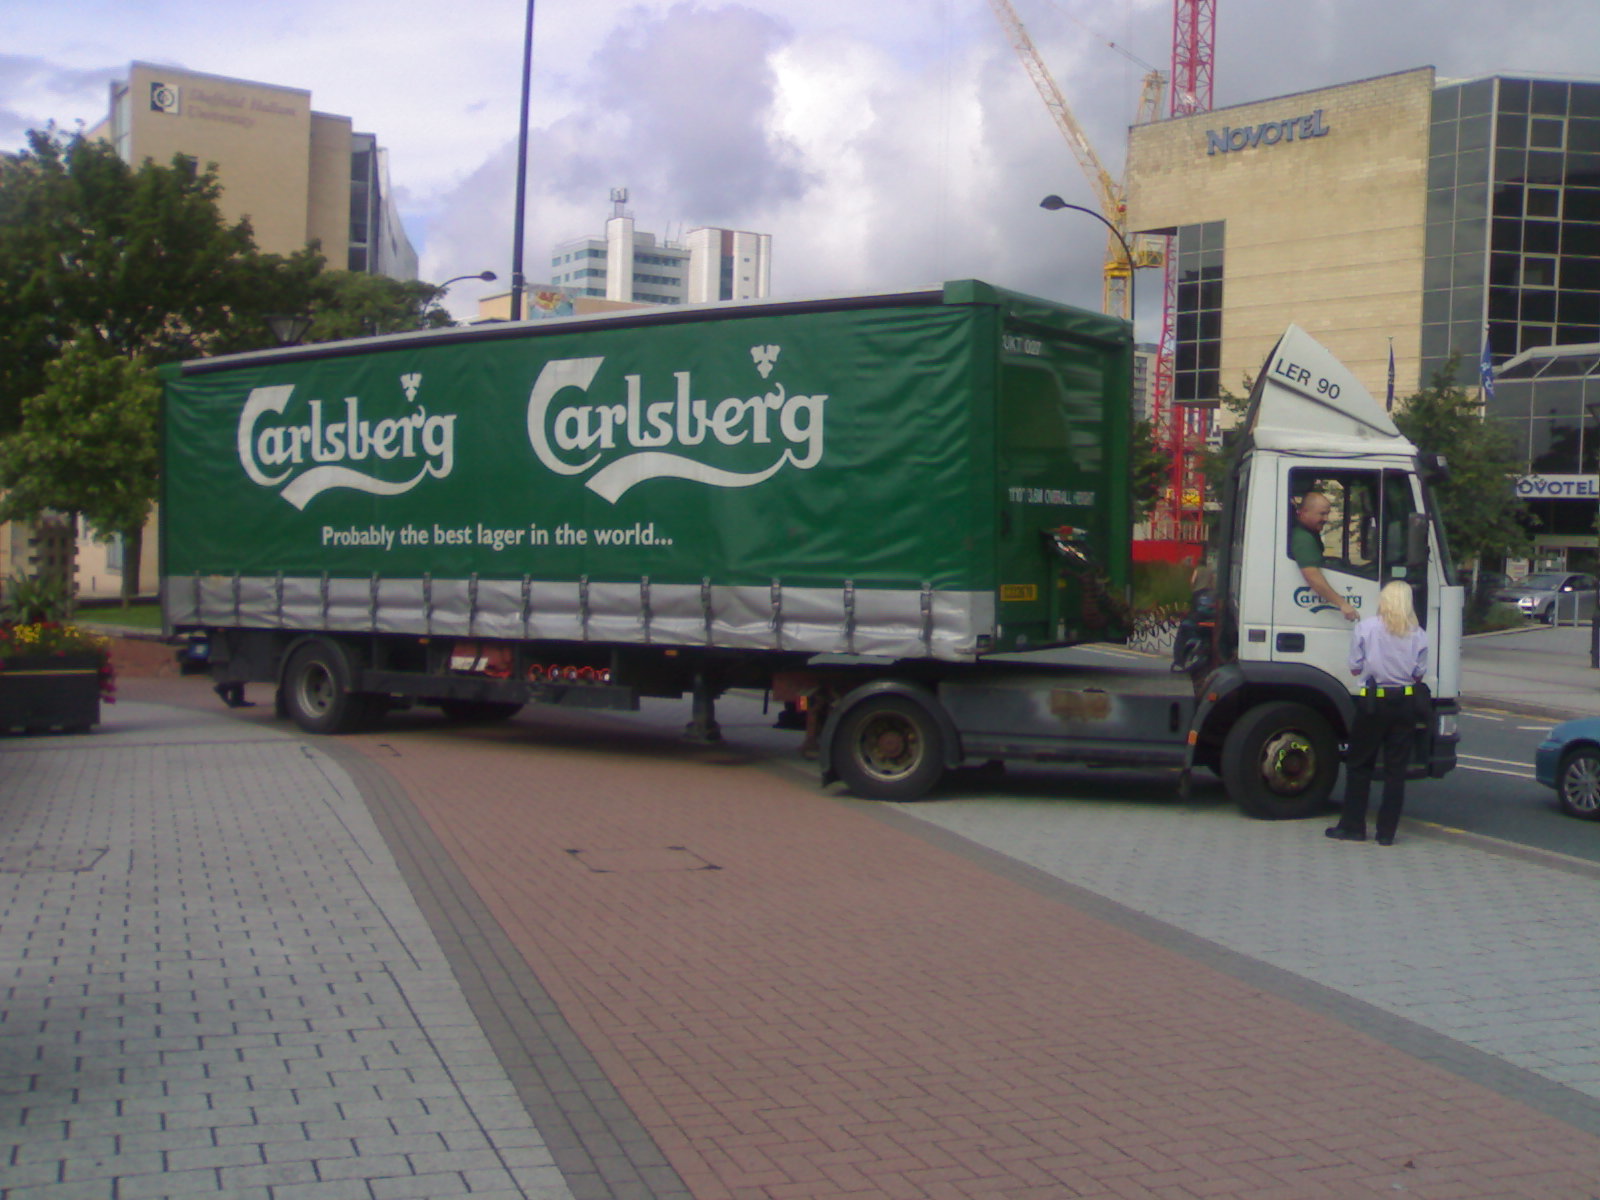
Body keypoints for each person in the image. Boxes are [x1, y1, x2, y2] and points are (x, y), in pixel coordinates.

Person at [1327, 580, 1429, 846]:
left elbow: (1354, 668)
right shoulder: (1418, 633)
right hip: (1405, 704)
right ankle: (1386, 833)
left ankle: (1353, 827)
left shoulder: (1366, 628)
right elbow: (1419, 674)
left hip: (1373, 703)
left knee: (1360, 764)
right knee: (1396, 771)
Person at [1292, 491, 1359, 622]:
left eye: (1327, 514)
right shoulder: (1303, 539)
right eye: (1322, 514)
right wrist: (1343, 604)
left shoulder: (1308, 532)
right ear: (1304, 512)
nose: (1326, 519)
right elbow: (1312, 575)